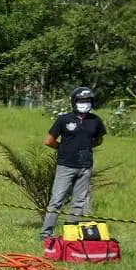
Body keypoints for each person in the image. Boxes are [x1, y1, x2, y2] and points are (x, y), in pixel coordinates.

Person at [40, 87, 105, 239]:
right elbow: (49, 141)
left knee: (78, 202)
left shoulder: (95, 121)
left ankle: (71, 233)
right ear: (74, 102)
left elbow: (99, 140)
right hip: (65, 166)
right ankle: (45, 234)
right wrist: (63, 148)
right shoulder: (63, 119)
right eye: (81, 101)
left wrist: (86, 148)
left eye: (87, 101)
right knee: (56, 200)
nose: (85, 103)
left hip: (85, 166)